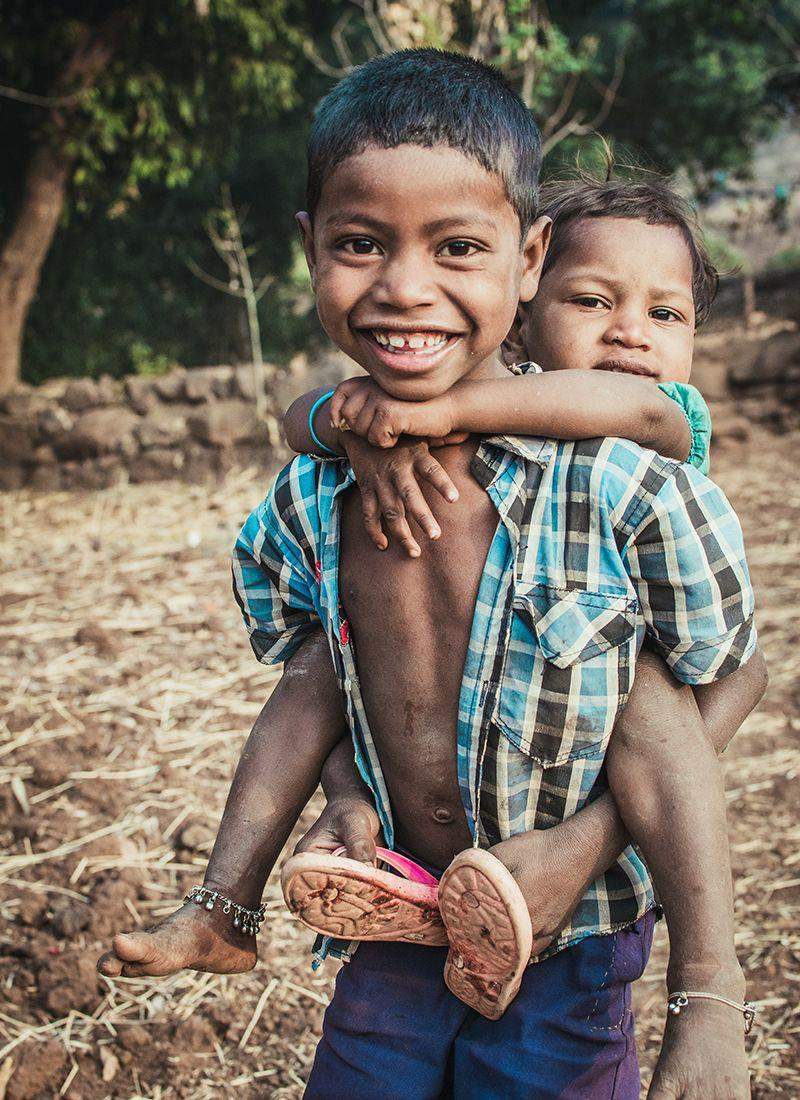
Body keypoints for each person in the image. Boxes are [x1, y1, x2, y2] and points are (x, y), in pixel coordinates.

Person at [98, 50, 763, 1099]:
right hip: (396, 909)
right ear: (310, 249)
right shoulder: (319, 487)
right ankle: (224, 903)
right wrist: (346, 790)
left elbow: (715, 685)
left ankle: (710, 992)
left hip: (567, 941)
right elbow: (328, 684)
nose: (405, 287)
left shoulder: (617, 481)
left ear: (525, 260)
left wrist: (611, 879)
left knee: (640, 691)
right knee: (316, 665)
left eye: (455, 246)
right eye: (360, 243)